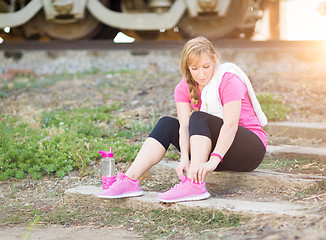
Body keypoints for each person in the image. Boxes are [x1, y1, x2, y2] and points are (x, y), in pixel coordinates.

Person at [97, 36, 267, 203]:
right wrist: (185, 158)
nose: (201, 74)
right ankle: (130, 180)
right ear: (187, 68)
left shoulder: (229, 80)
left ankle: (194, 184)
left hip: (249, 150)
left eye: (206, 67)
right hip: (215, 152)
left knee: (199, 117)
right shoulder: (183, 88)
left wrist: (214, 160)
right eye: (194, 68)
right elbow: (185, 127)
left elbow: (230, 125)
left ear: (215, 60)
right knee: (166, 123)